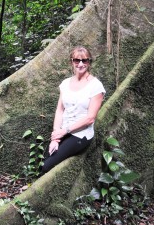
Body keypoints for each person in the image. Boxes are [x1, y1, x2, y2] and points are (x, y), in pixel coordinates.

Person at [41, 46, 106, 174]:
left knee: (46, 167)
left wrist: (64, 131)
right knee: (46, 159)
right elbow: (60, 110)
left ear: (89, 62)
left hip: (81, 134)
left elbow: (90, 118)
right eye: (77, 60)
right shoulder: (65, 83)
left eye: (84, 61)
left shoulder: (96, 86)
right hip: (63, 131)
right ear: (72, 61)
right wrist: (56, 136)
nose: (81, 64)